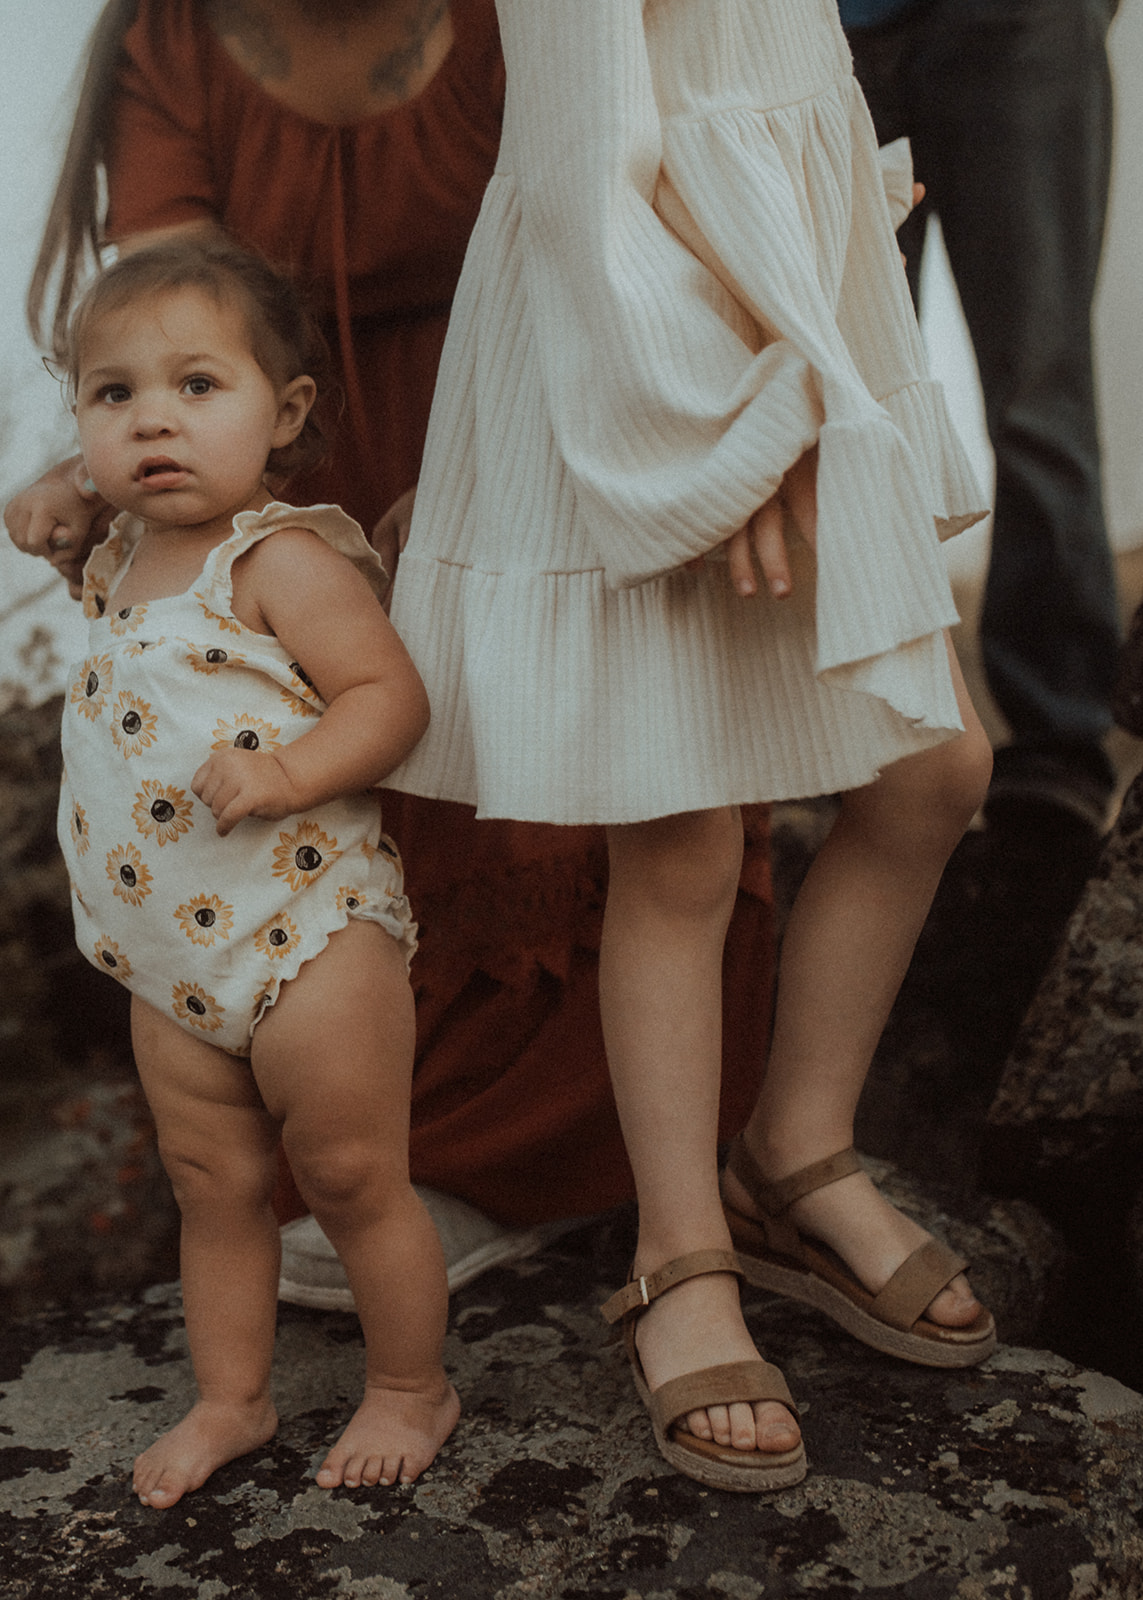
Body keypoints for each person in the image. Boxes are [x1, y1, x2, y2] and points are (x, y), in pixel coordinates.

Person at [4, 0, 778, 1295]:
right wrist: (108, 456)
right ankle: (374, 1168)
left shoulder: (509, 16)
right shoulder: (173, 35)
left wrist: (488, 469)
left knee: (568, 799)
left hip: (529, 439)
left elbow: (608, 242)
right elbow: (173, 313)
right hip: (285, 471)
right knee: (315, 825)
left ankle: (562, 1174)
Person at [386, 0, 998, 1491]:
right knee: (675, 819)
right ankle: (680, 1256)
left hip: (785, 307)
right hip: (658, 357)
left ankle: (791, 1145)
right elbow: (589, 152)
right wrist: (728, 424)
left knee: (932, 767)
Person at [57, 235, 458, 1508]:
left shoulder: (281, 558)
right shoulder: (116, 556)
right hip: (166, 952)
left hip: (308, 928)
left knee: (346, 1172)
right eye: (113, 395)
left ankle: (411, 1385)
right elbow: (52, 519)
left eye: (196, 386)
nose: (152, 421)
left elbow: (389, 698)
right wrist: (54, 500)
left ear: (282, 414)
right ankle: (233, 1396)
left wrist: (289, 774)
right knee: (212, 1185)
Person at [836, 0, 1122, 839]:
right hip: (824, 27)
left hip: (1021, 17)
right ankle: (842, 727)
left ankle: (1058, 743)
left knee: (1039, 396)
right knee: (843, 396)